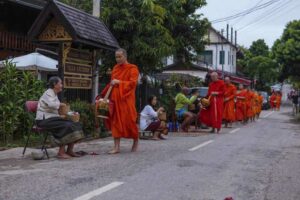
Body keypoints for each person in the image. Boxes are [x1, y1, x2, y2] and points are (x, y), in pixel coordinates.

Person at [101, 48, 139, 154]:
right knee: (115, 122)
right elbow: (111, 84)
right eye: (116, 57)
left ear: (125, 56)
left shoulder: (133, 68)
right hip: (115, 98)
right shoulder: (115, 68)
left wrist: (119, 82)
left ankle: (135, 141)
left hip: (127, 99)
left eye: (120, 56)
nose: (117, 59)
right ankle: (116, 147)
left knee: (130, 121)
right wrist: (103, 95)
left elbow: (132, 84)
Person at [36, 76, 84, 159]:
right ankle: (61, 153)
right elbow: (51, 105)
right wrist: (61, 104)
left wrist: (65, 114)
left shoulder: (54, 94)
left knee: (74, 123)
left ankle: (69, 150)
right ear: (55, 84)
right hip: (43, 120)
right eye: (60, 83)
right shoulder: (48, 93)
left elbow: (54, 110)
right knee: (66, 126)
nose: (62, 85)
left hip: (51, 119)